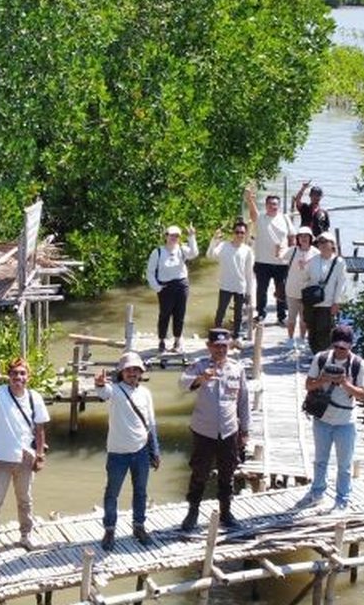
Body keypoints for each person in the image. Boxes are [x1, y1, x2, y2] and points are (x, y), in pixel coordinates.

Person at [177, 329, 251, 531]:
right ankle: (193, 512)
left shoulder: (237, 369)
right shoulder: (200, 365)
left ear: (229, 346)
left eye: (224, 346)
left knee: (228, 473)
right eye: (216, 346)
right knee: (199, 472)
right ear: (209, 347)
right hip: (204, 431)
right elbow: (181, 384)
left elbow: (243, 401)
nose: (220, 350)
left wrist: (245, 430)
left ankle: (226, 512)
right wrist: (201, 379)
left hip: (229, 430)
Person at [0, 357, 50, 559]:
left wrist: (40, 454)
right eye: (14, 373)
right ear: (8, 376)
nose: (18, 377)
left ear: (28, 376)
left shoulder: (35, 397)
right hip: (1, 457)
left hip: (26, 458)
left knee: (25, 499)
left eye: (22, 373)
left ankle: (26, 535)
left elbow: (40, 428)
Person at [94, 352, 161, 551]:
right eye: (128, 369)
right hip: (117, 453)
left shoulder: (146, 394)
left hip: (141, 451)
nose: (132, 373)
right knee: (112, 493)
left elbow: (151, 424)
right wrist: (98, 383)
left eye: (135, 369)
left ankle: (139, 526)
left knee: (140, 492)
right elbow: (102, 392)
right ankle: (109, 529)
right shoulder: (114, 390)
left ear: (141, 372)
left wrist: (155, 450)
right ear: (121, 372)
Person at [298, 325, 364, 511]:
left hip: (345, 422)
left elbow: (363, 394)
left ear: (351, 346)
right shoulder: (321, 358)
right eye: (337, 347)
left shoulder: (358, 364)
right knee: (320, 460)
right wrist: (323, 380)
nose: (340, 351)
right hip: (322, 419)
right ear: (332, 345)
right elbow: (308, 385)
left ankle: (342, 499)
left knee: (344, 465)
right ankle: (317, 493)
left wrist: (344, 383)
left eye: (344, 348)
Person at [145, 224, 199, 352]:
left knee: (179, 314)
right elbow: (150, 272)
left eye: (177, 235)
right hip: (165, 287)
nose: (174, 238)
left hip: (181, 285)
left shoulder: (182, 249)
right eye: (172, 235)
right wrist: (157, 287)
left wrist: (192, 236)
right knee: (164, 314)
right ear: (166, 236)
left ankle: (177, 340)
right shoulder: (157, 252)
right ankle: (162, 340)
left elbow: (194, 253)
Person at [245, 186, 293, 326]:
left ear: (279, 206)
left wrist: (291, 255)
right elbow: (253, 214)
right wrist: (249, 200)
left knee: (281, 290)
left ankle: (281, 315)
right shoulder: (261, 218)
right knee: (261, 289)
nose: (273, 206)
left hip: (281, 262)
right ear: (266, 206)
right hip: (262, 261)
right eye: (271, 204)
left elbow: (292, 236)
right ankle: (261, 313)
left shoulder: (284, 218)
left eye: (276, 204)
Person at [205, 221, 254, 340]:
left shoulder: (248, 250)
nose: (239, 235)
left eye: (242, 233)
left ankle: (236, 337)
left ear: (245, 234)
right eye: (237, 232)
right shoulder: (223, 245)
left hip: (240, 286)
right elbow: (210, 255)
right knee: (220, 312)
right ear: (233, 233)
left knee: (238, 315)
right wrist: (214, 240)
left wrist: (249, 292)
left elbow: (249, 273)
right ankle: (217, 335)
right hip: (225, 285)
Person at [303, 231, 349, 353]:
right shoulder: (313, 260)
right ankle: (315, 355)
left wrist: (336, 302)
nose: (322, 245)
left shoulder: (339, 262)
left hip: (327, 303)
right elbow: (306, 278)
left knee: (325, 332)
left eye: (325, 242)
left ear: (332, 244)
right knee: (312, 330)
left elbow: (341, 284)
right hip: (312, 302)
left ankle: (324, 356)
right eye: (320, 242)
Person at [282, 227, 319, 351]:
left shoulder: (315, 253)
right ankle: (290, 338)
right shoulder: (292, 250)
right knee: (291, 317)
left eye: (306, 236)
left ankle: (302, 338)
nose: (304, 238)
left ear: (310, 238)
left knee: (304, 318)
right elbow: (280, 257)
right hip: (292, 289)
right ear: (298, 238)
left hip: (307, 291)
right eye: (301, 236)